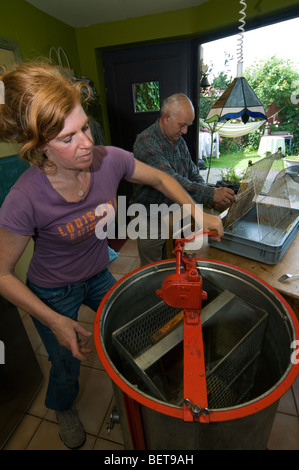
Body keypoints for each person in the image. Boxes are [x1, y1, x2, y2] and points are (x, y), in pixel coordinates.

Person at [0, 63, 223, 449]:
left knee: (135, 323)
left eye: (84, 127)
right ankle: (62, 405)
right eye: (69, 138)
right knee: (67, 362)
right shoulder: (24, 199)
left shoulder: (106, 159)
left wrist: (193, 209)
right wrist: (53, 320)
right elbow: (2, 274)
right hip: (52, 291)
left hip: (98, 272)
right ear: (39, 148)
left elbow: (159, 177)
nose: (86, 143)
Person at [131, 93, 235, 266]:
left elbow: (193, 173)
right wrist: (210, 195)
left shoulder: (177, 139)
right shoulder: (146, 142)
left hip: (175, 210)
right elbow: (170, 179)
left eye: (187, 125)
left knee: (176, 256)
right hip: (150, 215)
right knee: (152, 267)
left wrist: (210, 197)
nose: (185, 131)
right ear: (166, 117)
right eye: (182, 125)